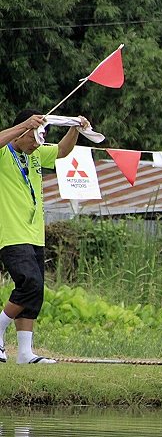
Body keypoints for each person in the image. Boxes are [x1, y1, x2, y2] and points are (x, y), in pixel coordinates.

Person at [0, 108, 87, 364]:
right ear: (24, 130)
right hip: (12, 233)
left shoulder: (36, 153)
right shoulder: (5, 151)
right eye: (35, 137)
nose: (37, 143)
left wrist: (75, 129)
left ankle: (25, 353)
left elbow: (61, 151)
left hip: (35, 234)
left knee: (35, 293)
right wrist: (24, 124)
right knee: (30, 284)